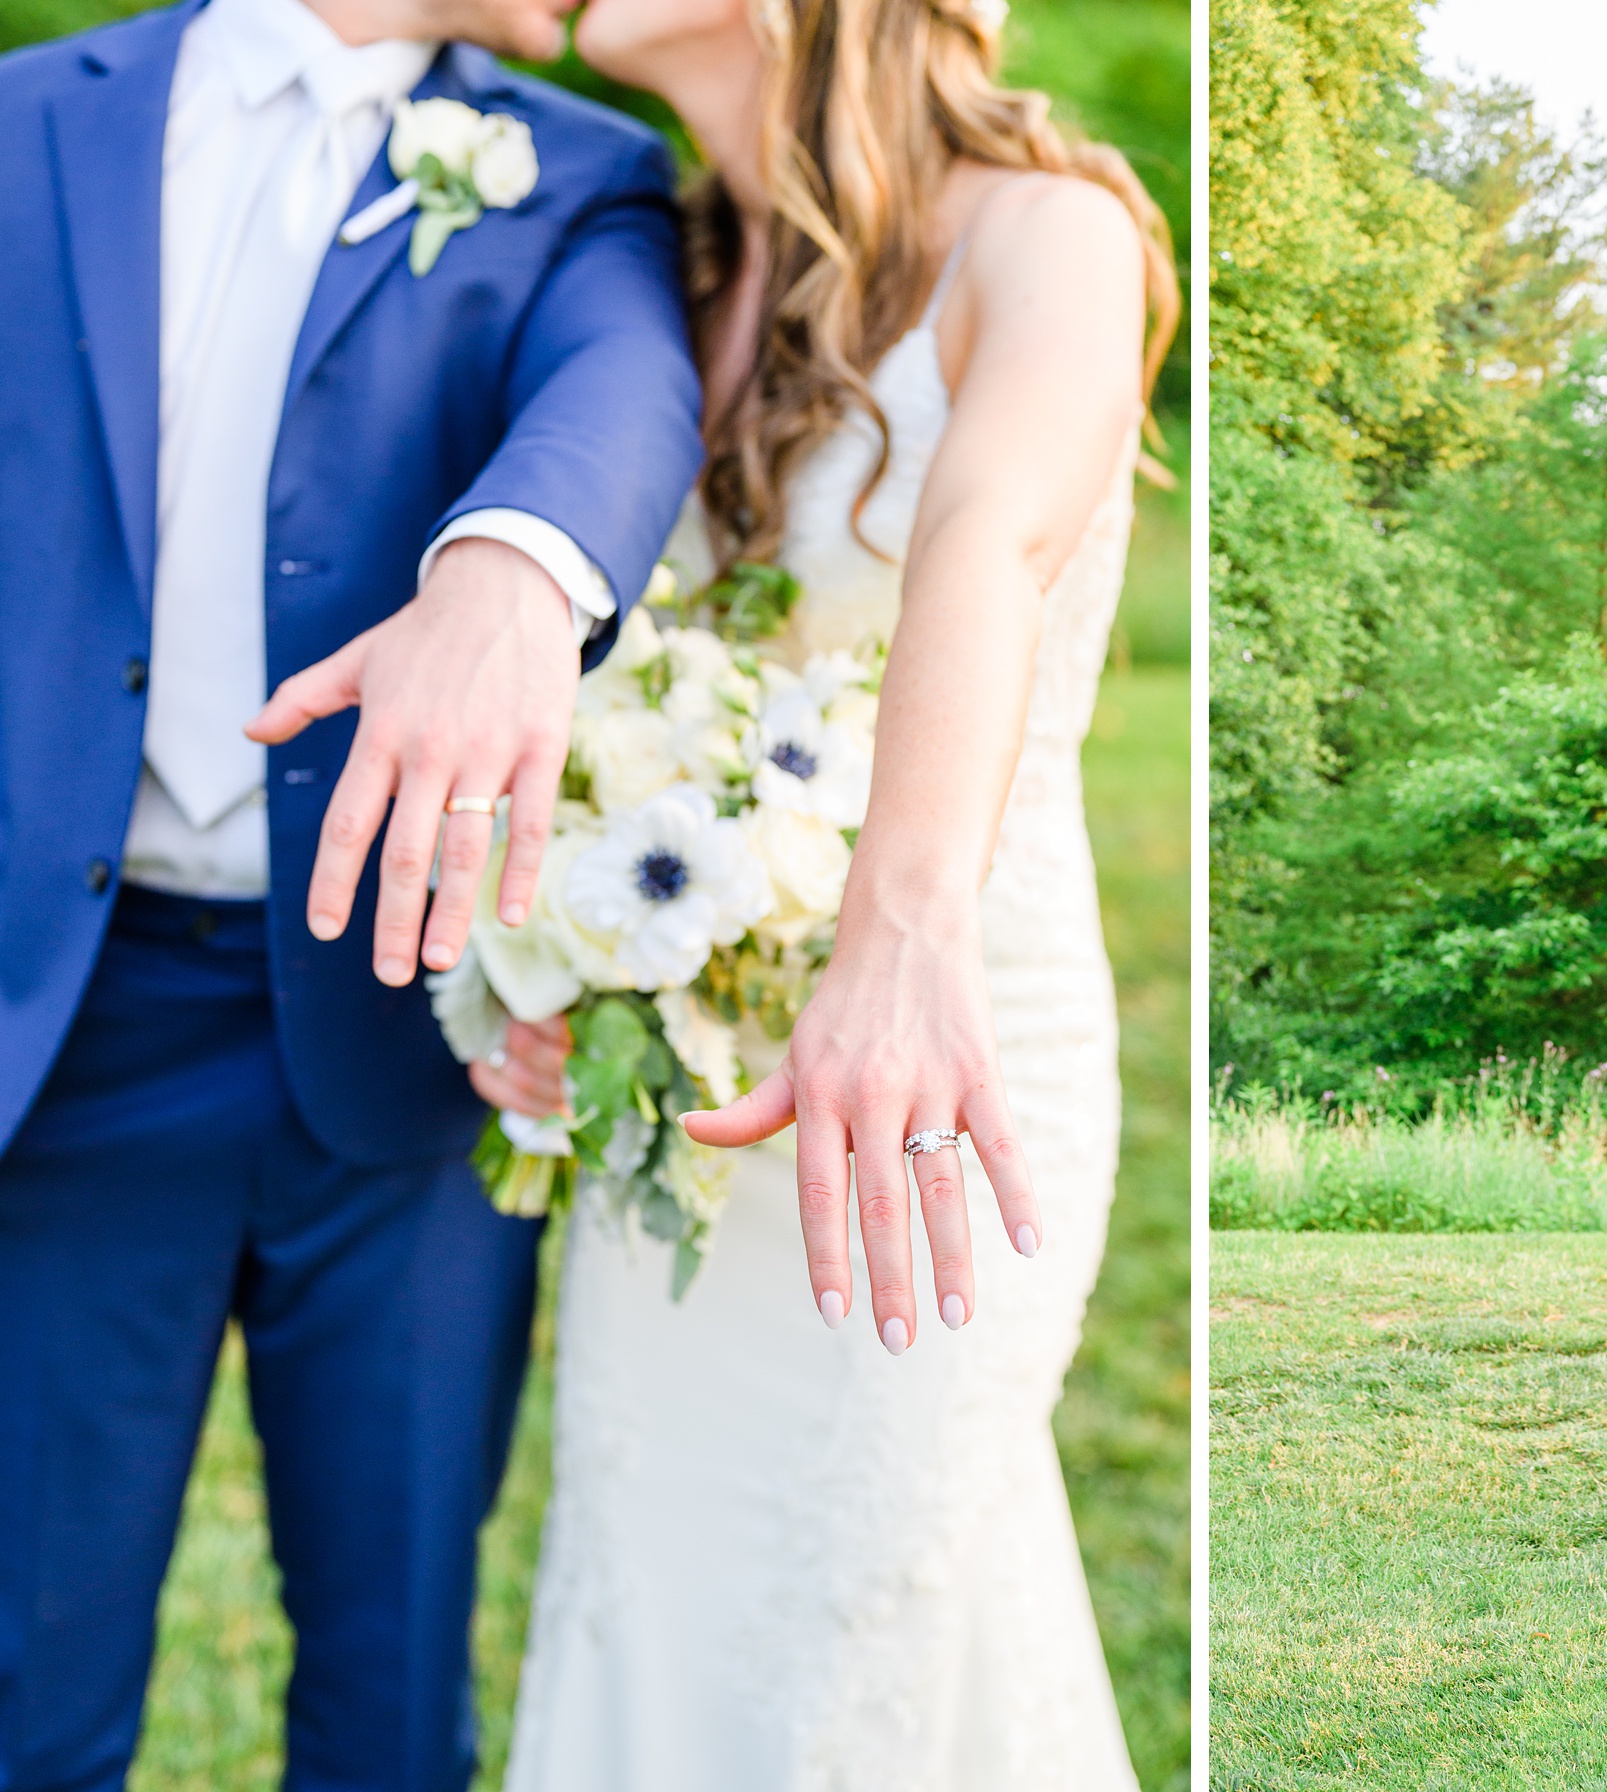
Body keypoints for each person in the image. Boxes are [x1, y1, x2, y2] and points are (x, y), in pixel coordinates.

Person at [0, 0, 701, 1783]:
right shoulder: (29, 118)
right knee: (29, 1670)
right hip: (67, 1020)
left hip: (414, 1028)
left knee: (394, 1675)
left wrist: (517, 573)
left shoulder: (592, 172)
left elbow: (624, 400)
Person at [486, 0, 1178, 1785]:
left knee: (852, 1594)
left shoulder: (1053, 230)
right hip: (705, 1107)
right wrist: (561, 963)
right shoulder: (665, 253)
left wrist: (897, 932)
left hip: (944, 1045)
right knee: (667, 1582)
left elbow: (989, 540)